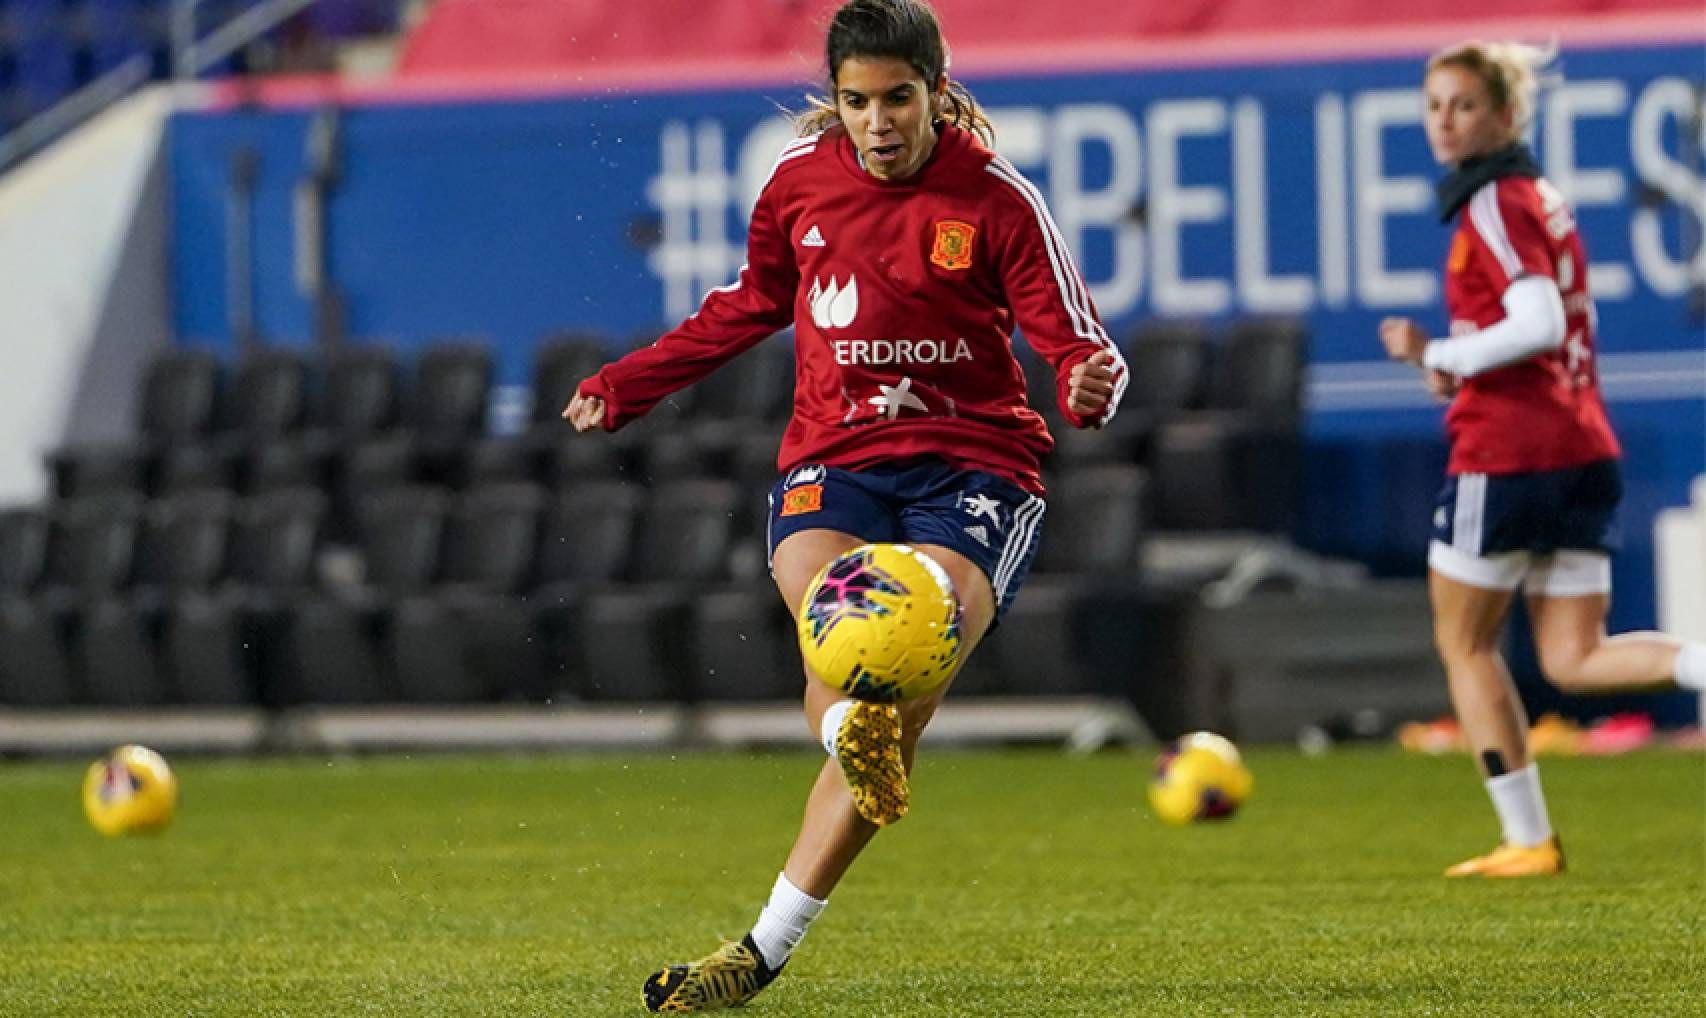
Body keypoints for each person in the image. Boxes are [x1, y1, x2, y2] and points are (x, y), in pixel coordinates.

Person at [562, 0, 1126, 1009]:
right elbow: (742, 304)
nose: (878, 122)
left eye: (898, 99)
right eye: (858, 101)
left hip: (974, 467)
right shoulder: (795, 186)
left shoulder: (996, 199)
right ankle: (837, 760)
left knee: (903, 659)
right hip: (836, 455)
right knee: (842, 650)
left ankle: (759, 948)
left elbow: (1072, 332)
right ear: (835, 101)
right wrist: (630, 382)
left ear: (936, 96)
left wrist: (1090, 376)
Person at [1379, 39, 1706, 879]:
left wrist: (1443, 352)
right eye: (1434, 106)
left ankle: (1528, 840)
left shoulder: (1492, 202)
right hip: (1581, 446)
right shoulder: (1540, 197)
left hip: (1511, 454)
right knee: (1574, 657)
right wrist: (1457, 364)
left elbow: (1537, 323)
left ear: (1506, 115)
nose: (1445, 123)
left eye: (1463, 105)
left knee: (1466, 647)